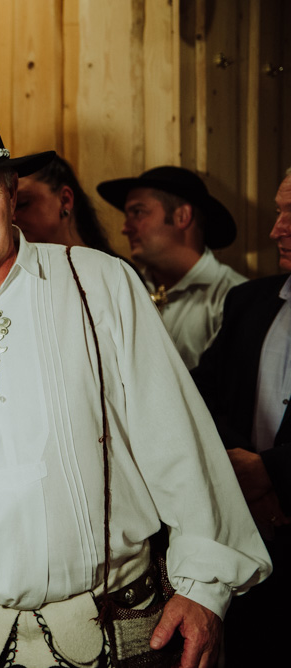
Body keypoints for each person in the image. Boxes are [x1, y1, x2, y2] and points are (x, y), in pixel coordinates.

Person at [0, 108, 271, 668]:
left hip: (122, 631)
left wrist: (204, 587)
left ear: (11, 193)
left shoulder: (101, 283)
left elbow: (176, 438)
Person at [191, 167, 291, 666]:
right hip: (251, 548)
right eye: (278, 212)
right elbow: (201, 394)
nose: (276, 229)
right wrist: (243, 467)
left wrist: (271, 472)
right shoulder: (250, 301)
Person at [96, 166, 245, 369]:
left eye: (138, 212)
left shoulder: (230, 297)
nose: (125, 228)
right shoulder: (125, 288)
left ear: (182, 216)